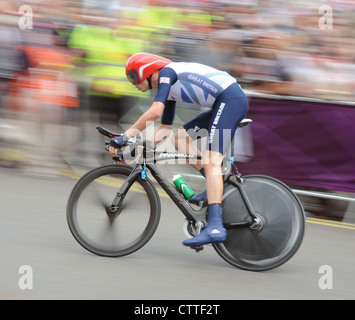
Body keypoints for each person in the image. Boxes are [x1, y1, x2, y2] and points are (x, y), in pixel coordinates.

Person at [109, 52, 248, 247]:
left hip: (230, 101)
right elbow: (164, 130)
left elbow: (155, 111)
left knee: (211, 160)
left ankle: (216, 226)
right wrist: (135, 148)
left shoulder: (167, 73)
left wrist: (124, 137)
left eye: (133, 77)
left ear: (147, 72)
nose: (133, 83)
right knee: (179, 138)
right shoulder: (171, 88)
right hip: (223, 103)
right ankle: (213, 185)